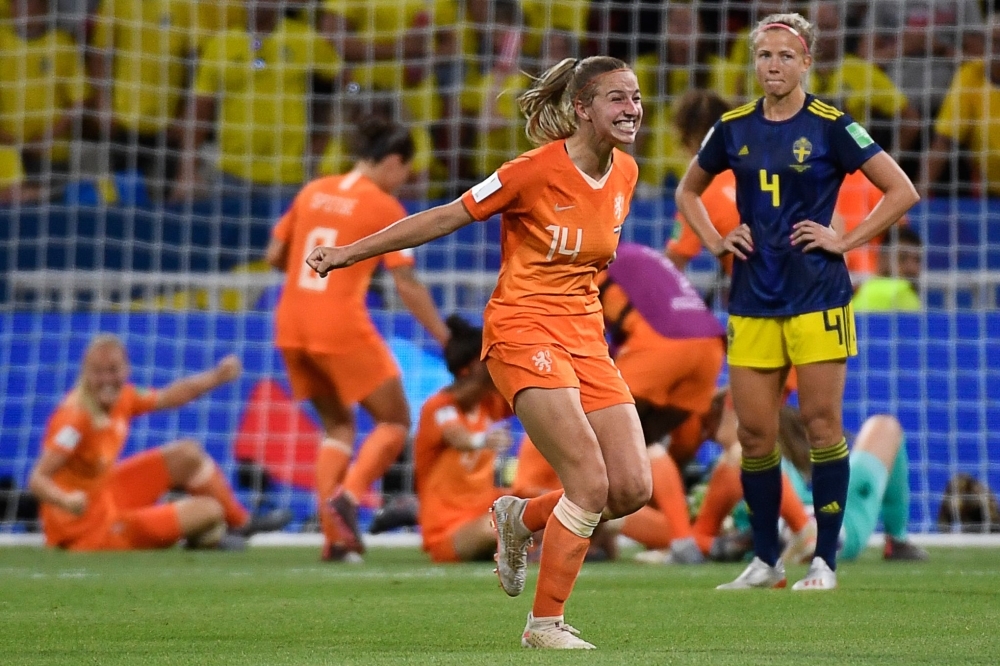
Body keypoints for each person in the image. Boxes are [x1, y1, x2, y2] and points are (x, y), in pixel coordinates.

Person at [307, 55, 648, 649]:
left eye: (636, 97)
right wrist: (349, 253)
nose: (632, 109)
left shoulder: (626, 174)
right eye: (617, 98)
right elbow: (446, 216)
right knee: (589, 482)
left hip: (585, 336)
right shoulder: (530, 172)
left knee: (630, 489)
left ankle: (519, 517)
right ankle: (544, 626)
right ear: (582, 109)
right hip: (523, 331)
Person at [674, 12, 919, 591]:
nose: (773, 65)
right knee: (755, 435)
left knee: (821, 425)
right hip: (752, 297)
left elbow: (900, 189)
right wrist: (715, 241)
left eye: (785, 56)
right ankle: (764, 559)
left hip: (818, 296)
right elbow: (687, 191)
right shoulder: (732, 127)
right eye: (764, 56)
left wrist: (845, 239)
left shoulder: (832, 124)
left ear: (807, 61)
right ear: (754, 63)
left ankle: (825, 562)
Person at [265, 116, 450, 563]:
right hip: (339, 324)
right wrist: (445, 338)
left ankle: (337, 539)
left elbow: (274, 256)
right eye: (405, 170)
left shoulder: (313, 191)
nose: (405, 181)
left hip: (290, 324)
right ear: (391, 161)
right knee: (393, 421)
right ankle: (348, 497)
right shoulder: (384, 206)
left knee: (339, 427)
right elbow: (406, 283)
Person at [28, 334, 290, 552]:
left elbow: (170, 396)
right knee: (209, 510)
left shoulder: (123, 398)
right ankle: (202, 534)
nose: (107, 379)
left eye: (113, 370)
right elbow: (38, 479)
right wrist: (65, 500)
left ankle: (240, 522)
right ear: (85, 374)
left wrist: (217, 376)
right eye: (98, 372)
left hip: (104, 497)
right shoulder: (74, 419)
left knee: (187, 454)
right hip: (85, 528)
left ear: (127, 370)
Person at [171, 1, 342, 203]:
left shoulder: (304, 38)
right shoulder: (220, 44)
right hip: (231, 172)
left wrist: (324, 142)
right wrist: (187, 169)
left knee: (278, 235)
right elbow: (200, 109)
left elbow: (345, 84)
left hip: (288, 175)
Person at [414, 316, 513, 563]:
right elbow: (458, 438)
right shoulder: (439, 407)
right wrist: (483, 440)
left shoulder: (491, 403)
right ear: (470, 367)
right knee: (496, 528)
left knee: (553, 506)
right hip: (450, 529)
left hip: (487, 509)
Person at [775, 406, 929, 562]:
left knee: (885, 427)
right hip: (827, 517)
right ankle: (896, 541)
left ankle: (800, 535)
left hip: (838, 510)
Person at [0, 0, 87, 201]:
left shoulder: (62, 43)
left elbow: (80, 101)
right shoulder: (2, 41)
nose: (23, 10)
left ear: (44, 8)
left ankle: (53, 194)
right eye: (16, 4)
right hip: (6, 148)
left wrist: (50, 135)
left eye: (30, 5)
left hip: (51, 151)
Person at [922, 15, 1000, 197]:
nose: (997, 49)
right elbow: (944, 139)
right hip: (989, 193)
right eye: (993, 42)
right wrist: (920, 193)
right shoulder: (970, 75)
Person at [852, 226, 923, 312]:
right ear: (882, 257)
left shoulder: (858, 292)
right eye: (902, 258)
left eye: (917, 260)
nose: (912, 268)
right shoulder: (901, 291)